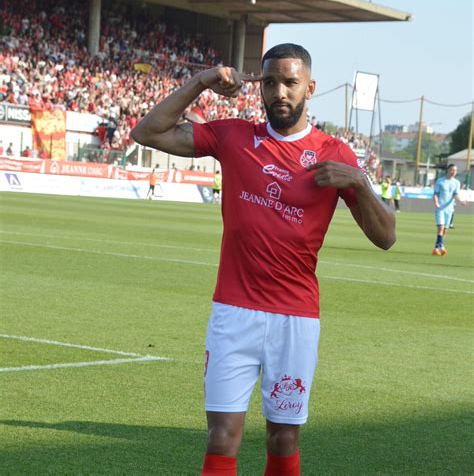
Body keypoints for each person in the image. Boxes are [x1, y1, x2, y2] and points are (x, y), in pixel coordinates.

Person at [131, 43, 396, 476]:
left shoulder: (335, 154)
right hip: (233, 314)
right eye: (270, 82)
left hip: (295, 318)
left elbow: (386, 238)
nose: (280, 92)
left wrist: (360, 184)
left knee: (284, 438)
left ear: (309, 88)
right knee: (221, 437)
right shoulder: (235, 137)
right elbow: (149, 132)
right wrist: (201, 82)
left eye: (290, 83)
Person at [432, 164, 466, 256]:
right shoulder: (440, 181)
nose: (453, 172)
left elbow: (456, 194)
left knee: (445, 230)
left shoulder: (457, 183)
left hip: (450, 209)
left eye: (455, 170)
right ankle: (442, 246)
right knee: (441, 227)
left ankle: (436, 248)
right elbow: (435, 194)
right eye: (452, 170)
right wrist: (436, 203)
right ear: (447, 170)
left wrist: (461, 201)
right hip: (440, 208)